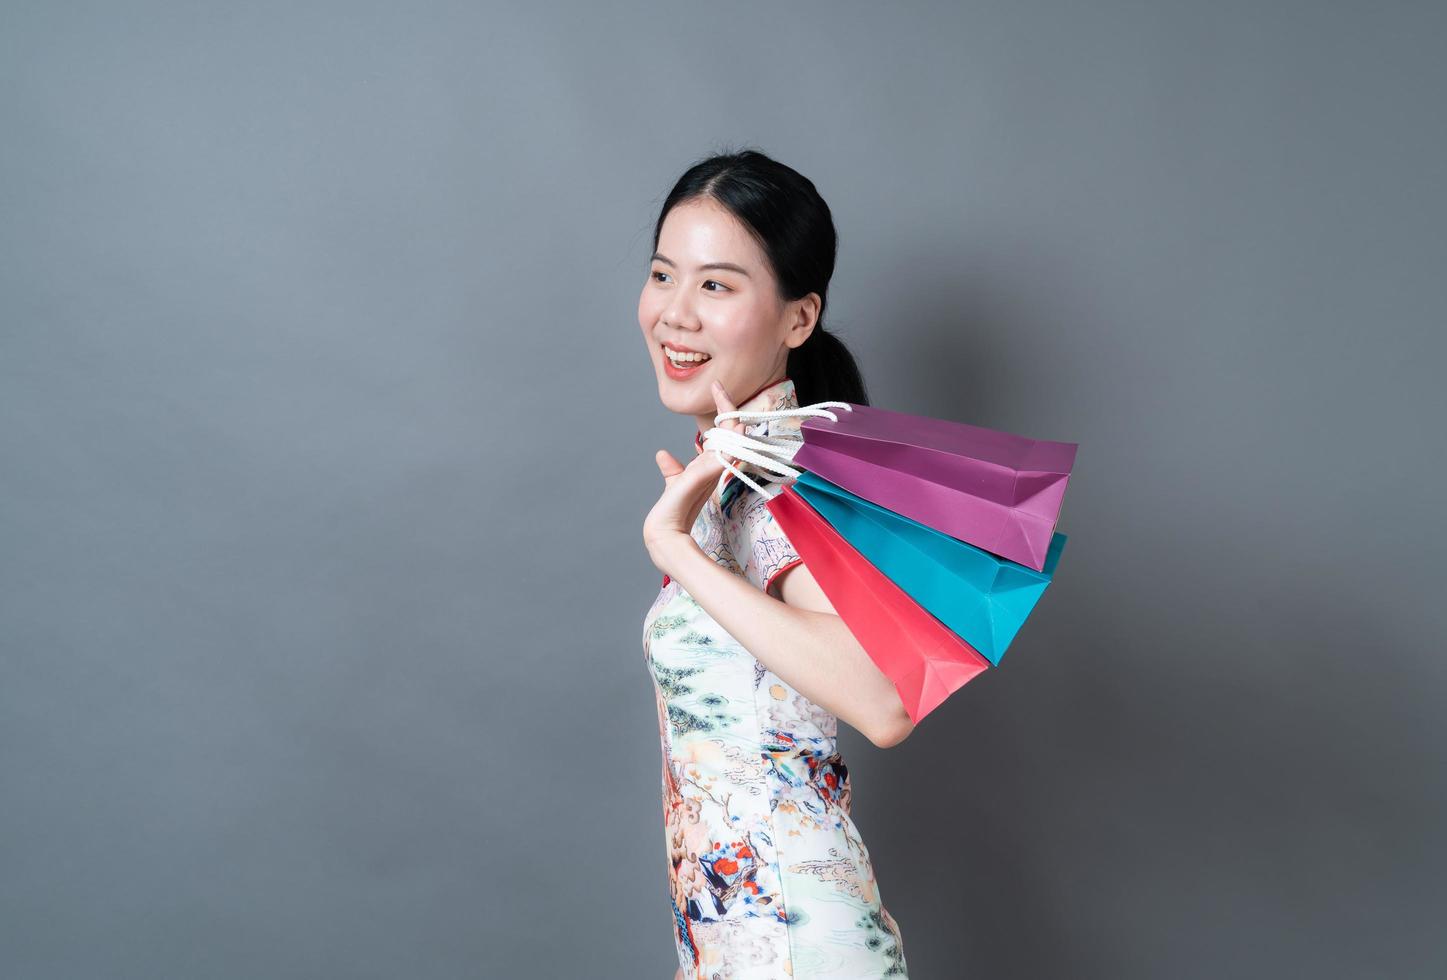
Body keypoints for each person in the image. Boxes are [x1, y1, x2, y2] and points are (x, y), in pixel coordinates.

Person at [638, 149, 911, 980]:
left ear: (798, 319)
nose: (673, 314)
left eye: (715, 286)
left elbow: (884, 699)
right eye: (662, 275)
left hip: (791, 948)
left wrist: (676, 553)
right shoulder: (741, 468)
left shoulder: (784, 476)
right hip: (743, 940)